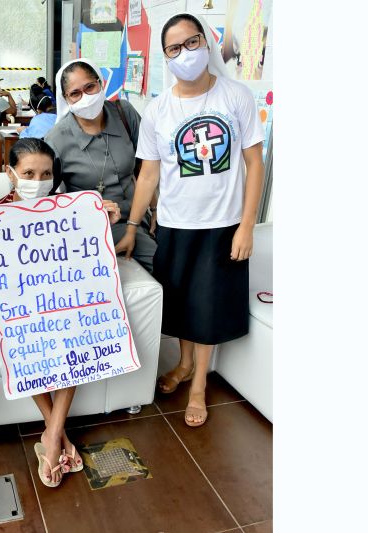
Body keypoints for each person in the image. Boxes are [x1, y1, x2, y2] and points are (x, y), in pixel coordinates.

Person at [115, 13, 265, 427]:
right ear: (166, 57)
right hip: (175, 224)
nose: (185, 54)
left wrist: (247, 224)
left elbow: (255, 163)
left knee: (208, 307)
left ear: (206, 42)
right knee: (182, 304)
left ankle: (198, 384)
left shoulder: (235, 97)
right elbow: (147, 174)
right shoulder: (157, 109)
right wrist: (131, 227)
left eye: (191, 42)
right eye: (174, 48)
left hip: (223, 224)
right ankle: (182, 364)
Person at [0, 138, 120, 487]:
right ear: (10, 173)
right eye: (28, 172)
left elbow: (88, 261)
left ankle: (51, 436)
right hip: (21, 311)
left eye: (46, 173)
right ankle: (56, 437)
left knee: (73, 333)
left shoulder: (69, 210)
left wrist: (103, 224)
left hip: (63, 301)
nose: (38, 179)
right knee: (26, 339)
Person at [44, 58, 157, 273]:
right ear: (66, 100)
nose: (85, 97)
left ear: (100, 83)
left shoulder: (124, 113)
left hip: (140, 215)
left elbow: (145, 167)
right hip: (96, 225)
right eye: (75, 93)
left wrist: (155, 208)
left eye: (90, 87)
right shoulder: (56, 140)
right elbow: (47, 197)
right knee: (162, 262)